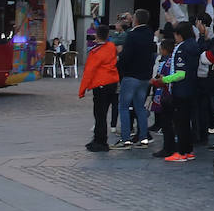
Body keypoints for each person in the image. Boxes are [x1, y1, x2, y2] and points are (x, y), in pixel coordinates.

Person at [152, 22, 199, 162]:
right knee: (186, 121)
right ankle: (189, 150)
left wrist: (165, 80)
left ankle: (181, 152)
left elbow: (180, 74)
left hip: (181, 90)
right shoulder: (195, 45)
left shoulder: (182, 49)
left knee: (180, 123)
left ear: (180, 34)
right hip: (192, 88)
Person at [113, 9, 156, 149]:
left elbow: (126, 55)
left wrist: (119, 65)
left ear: (136, 19)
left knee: (124, 107)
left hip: (131, 75)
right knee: (140, 107)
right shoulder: (150, 34)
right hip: (144, 76)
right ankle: (143, 138)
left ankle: (126, 139)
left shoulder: (132, 35)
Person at [78, 26, 119, 152]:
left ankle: (100, 141)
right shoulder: (111, 47)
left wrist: (82, 89)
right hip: (112, 83)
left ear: (96, 36)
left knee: (99, 114)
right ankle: (99, 139)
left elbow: (89, 71)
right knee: (103, 112)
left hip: (100, 84)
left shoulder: (95, 52)